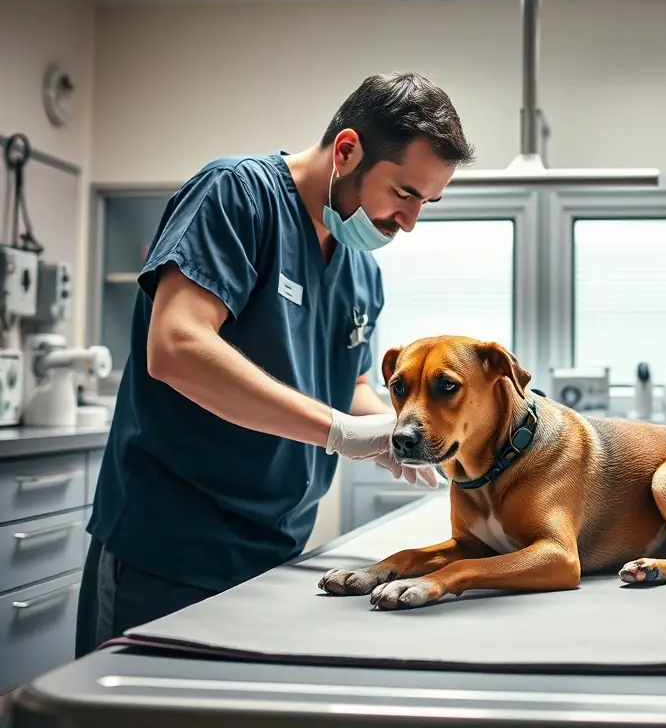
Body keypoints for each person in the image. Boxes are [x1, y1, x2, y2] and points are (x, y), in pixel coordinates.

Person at [76, 72, 476, 656]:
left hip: (277, 549)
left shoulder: (361, 270)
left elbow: (353, 386)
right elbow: (176, 346)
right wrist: (336, 431)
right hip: (168, 551)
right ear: (347, 150)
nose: (410, 222)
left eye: (426, 202)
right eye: (404, 194)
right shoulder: (237, 196)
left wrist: (408, 430)